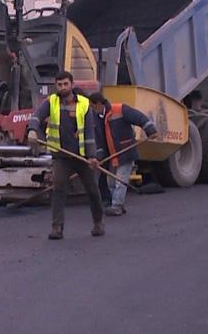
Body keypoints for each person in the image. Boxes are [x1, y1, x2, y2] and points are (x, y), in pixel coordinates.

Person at [27, 71, 106, 240]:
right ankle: (57, 228)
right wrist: (33, 130)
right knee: (59, 189)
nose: (62, 87)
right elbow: (36, 116)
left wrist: (92, 156)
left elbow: (90, 133)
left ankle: (98, 223)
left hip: (82, 156)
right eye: (59, 84)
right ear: (56, 86)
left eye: (65, 84)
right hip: (61, 156)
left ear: (71, 84)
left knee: (92, 189)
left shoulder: (84, 104)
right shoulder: (51, 102)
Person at [88, 92, 157, 216]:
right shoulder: (96, 119)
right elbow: (99, 140)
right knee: (111, 181)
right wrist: (99, 157)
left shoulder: (120, 109)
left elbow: (139, 117)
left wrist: (150, 129)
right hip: (112, 155)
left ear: (98, 104)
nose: (92, 110)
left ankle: (117, 206)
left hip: (125, 152)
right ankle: (118, 202)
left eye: (93, 107)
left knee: (120, 180)